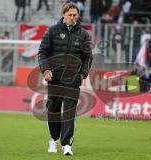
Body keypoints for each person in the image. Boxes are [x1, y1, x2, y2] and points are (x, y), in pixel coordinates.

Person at [38, 3, 92, 156]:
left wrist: (83, 73)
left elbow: (88, 57)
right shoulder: (52, 31)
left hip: (73, 79)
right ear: (63, 14)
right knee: (53, 111)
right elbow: (42, 52)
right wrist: (46, 70)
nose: (73, 17)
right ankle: (53, 140)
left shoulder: (84, 34)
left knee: (69, 112)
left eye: (75, 15)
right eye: (70, 15)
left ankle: (67, 144)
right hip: (54, 78)